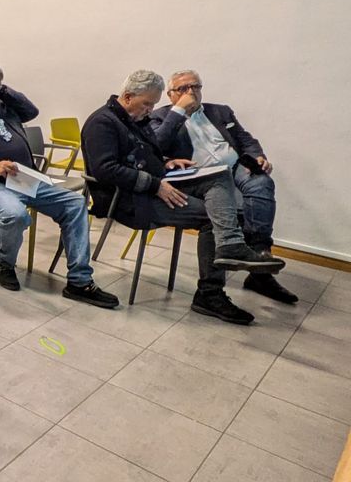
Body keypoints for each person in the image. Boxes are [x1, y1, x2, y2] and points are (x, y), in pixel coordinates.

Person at [81, 70, 285, 325]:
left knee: (220, 177)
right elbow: (106, 170)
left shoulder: (133, 118)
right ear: (128, 97)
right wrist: (156, 184)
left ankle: (231, 244)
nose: (150, 110)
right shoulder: (102, 123)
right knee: (213, 217)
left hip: (153, 185)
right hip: (128, 200)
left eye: (153, 104)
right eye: (147, 104)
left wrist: (166, 162)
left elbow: (148, 153)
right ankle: (210, 294)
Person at [0, 59, 118, 307]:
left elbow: (31, 112)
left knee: (75, 204)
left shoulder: (0, 105)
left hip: (24, 178)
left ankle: (79, 282)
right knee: (16, 214)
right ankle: (5, 263)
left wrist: (3, 90)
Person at [149, 70, 296, 304]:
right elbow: (157, 145)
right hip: (197, 176)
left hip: (234, 168)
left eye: (195, 87)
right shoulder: (159, 116)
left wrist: (257, 157)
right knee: (225, 208)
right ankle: (213, 290)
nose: (191, 92)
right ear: (170, 95)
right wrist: (179, 111)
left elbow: (246, 140)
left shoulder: (220, 111)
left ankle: (260, 257)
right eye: (183, 89)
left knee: (262, 182)